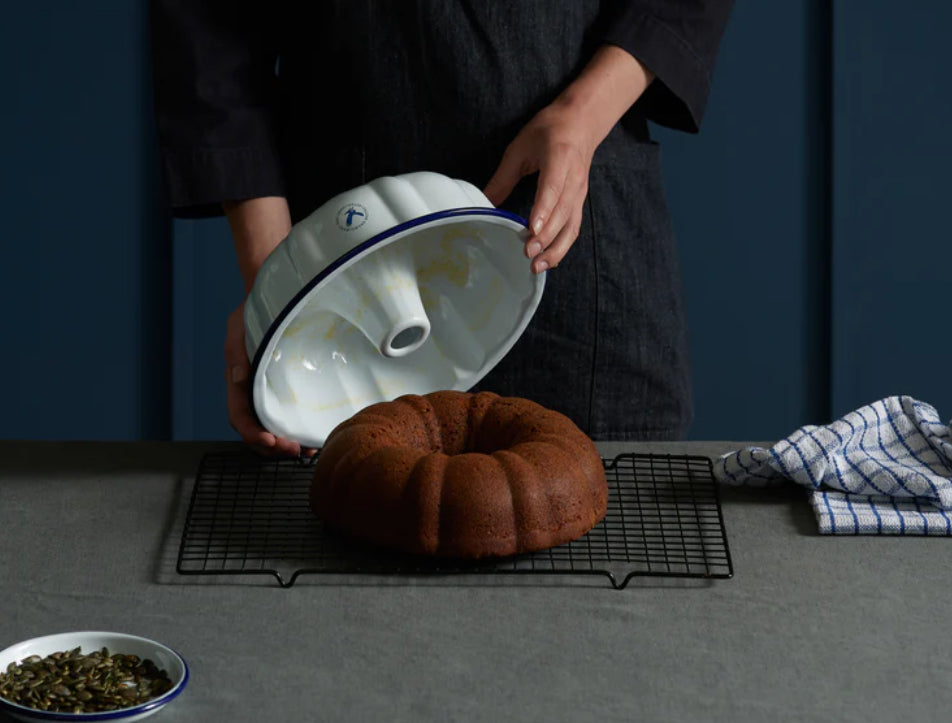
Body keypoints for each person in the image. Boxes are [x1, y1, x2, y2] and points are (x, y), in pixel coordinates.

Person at [151, 1, 734, 456]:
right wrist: (279, 288)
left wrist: (581, 119)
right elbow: (211, 31)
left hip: (575, 238)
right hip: (345, 267)